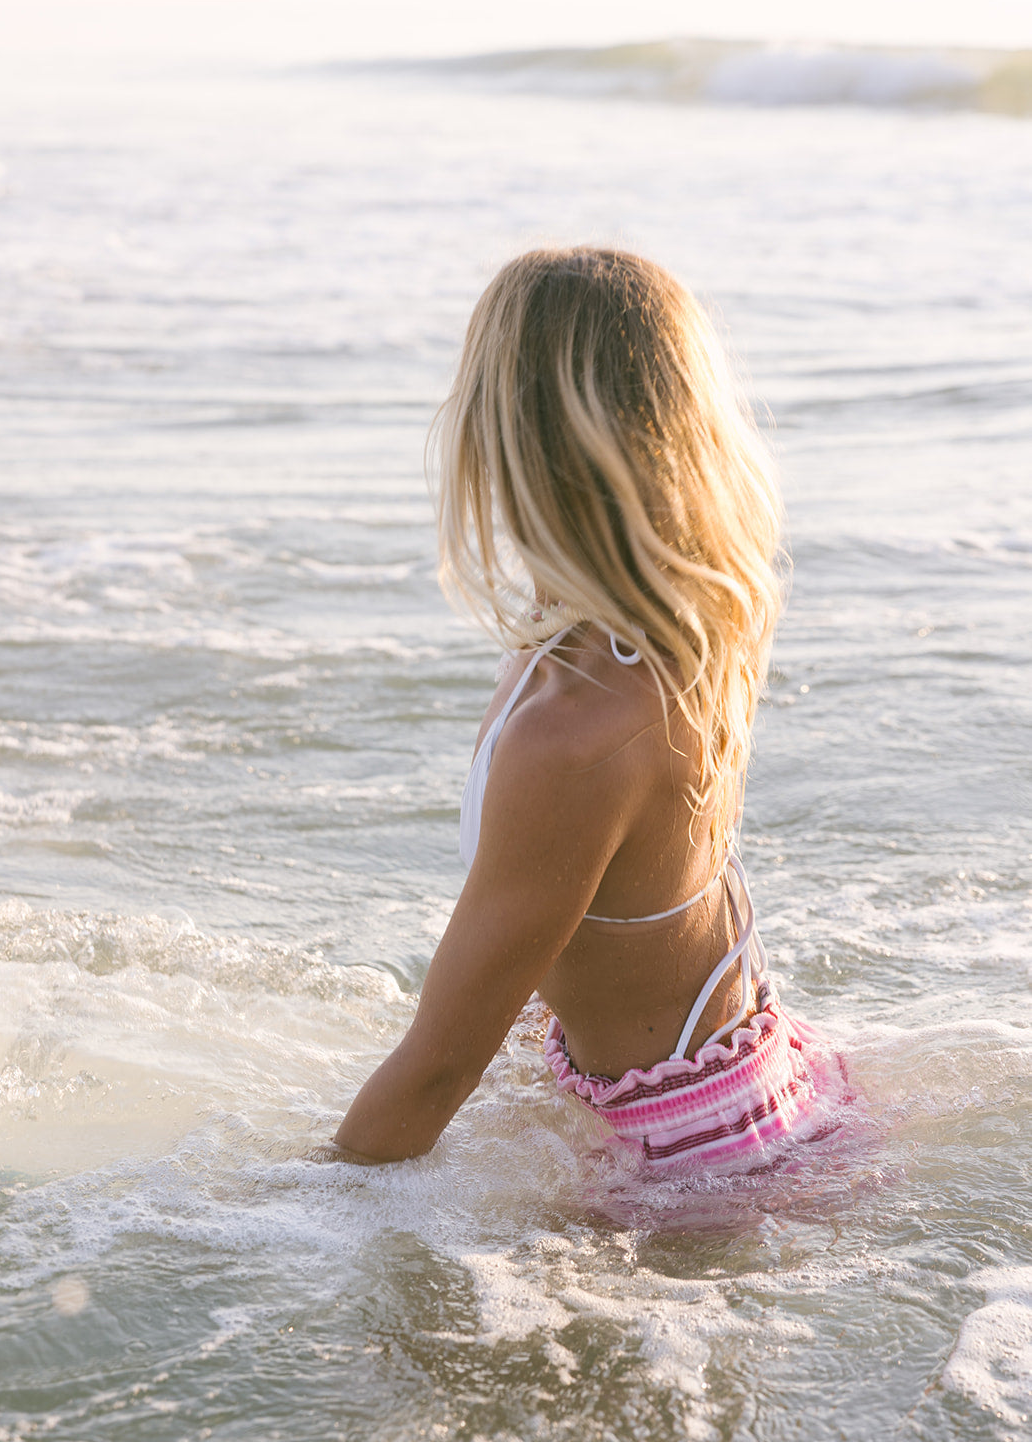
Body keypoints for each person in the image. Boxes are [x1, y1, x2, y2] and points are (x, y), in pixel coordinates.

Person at [329, 246, 831, 1169]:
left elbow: (439, 1069)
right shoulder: (689, 620)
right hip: (738, 1078)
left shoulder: (572, 735)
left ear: (507, 437)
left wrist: (268, 1216)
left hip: (682, 1160)